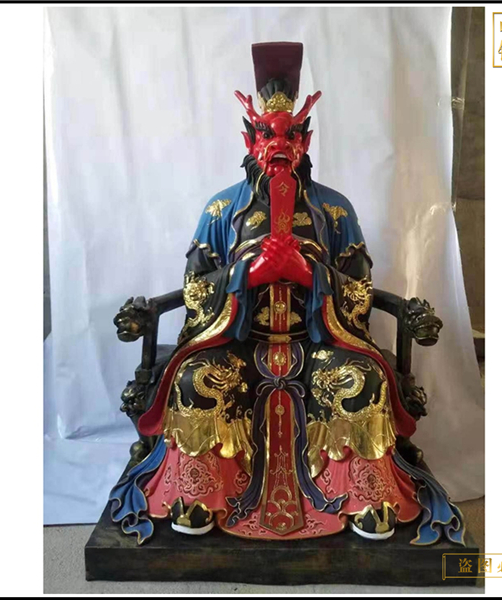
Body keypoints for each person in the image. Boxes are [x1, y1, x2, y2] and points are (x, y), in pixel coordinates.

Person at [110, 42, 465, 545]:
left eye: (290, 134)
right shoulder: (220, 211)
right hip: (239, 340)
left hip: (317, 341)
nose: (278, 143)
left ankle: (363, 494)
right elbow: (194, 289)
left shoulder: (335, 210)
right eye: (267, 133)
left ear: (306, 139)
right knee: (195, 380)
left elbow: (360, 292)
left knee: (359, 381)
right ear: (249, 138)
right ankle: (198, 492)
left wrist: (310, 275)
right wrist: (246, 277)